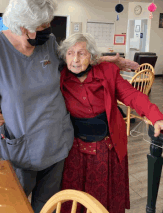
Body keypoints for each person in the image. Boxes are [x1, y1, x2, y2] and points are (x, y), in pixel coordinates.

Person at [0, 0, 139, 213]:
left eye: (49, 23)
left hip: (56, 144)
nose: (49, 29)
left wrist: (107, 60)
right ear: (23, 26)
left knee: (45, 207)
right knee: (15, 205)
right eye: (43, 26)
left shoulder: (48, 42)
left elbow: (72, 63)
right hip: (21, 149)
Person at [57, 33, 163, 213]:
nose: (75, 59)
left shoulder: (107, 71)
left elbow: (131, 95)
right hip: (73, 148)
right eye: (70, 53)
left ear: (91, 56)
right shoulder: (59, 76)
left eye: (81, 53)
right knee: (74, 198)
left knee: (104, 198)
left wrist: (156, 116)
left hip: (106, 146)